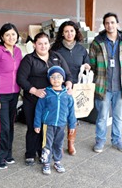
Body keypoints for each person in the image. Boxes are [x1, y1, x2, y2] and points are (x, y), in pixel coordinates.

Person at [17, 32, 73, 166]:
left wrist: (69, 86)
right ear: (35, 45)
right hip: (33, 100)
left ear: (49, 44)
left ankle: (44, 152)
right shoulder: (29, 59)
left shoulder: (56, 57)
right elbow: (21, 79)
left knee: (48, 129)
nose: (43, 46)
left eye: (45, 43)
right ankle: (30, 154)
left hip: (52, 102)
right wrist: (34, 91)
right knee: (33, 127)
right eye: (40, 43)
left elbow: (68, 75)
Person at [89, 12, 122, 153]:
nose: (110, 25)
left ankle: (117, 140)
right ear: (104, 25)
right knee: (102, 116)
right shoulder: (97, 42)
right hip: (103, 85)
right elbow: (93, 63)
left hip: (121, 85)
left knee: (118, 116)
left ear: (117, 24)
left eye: (112, 22)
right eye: (107, 23)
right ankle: (100, 141)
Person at [50, 21, 90, 156]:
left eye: (72, 31)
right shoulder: (56, 50)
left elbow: (87, 64)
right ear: (62, 33)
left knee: (73, 117)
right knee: (60, 116)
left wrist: (87, 66)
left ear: (76, 32)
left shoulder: (81, 49)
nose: (69, 34)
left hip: (77, 88)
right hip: (60, 88)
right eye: (66, 31)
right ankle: (58, 144)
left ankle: (71, 143)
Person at [0, 23, 23, 170]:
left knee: (10, 125)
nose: (11, 37)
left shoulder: (18, 51)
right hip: (1, 95)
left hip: (14, 93)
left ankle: (8, 153)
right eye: (7, 35)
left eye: (13, 34)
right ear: (2, 37)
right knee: (3, 127)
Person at [34, 66, 76, 175]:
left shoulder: (67, 95)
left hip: (61, 124)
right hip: (48, 124)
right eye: (53, 77)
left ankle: (57, 161)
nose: (56, 79)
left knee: (58, 144)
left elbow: (71, 112)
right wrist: (37, 124)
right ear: (49, 79)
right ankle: (46, 163)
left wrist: (72, 126)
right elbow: (39, 109)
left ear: (63, 79)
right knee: (47, 144)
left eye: (59, 77)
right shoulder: (46, 93)